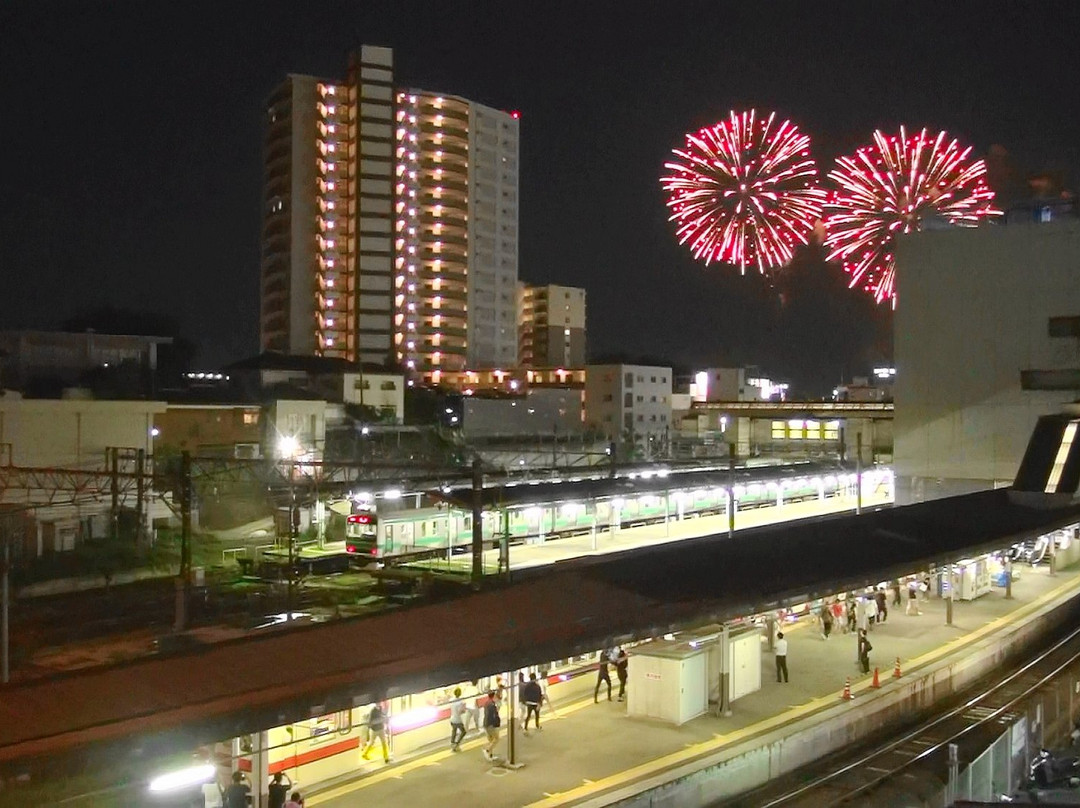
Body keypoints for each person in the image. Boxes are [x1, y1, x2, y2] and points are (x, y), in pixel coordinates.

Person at [482, 690, 502, 761]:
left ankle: (490, 756)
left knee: (491, 740)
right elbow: (493, 715)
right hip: (490, 725)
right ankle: (487, 750)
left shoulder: (487, 703)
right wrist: (495, 723)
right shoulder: (492, 705)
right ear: (494, 696)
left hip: (486, 723)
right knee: (496, 739)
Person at [449, 687, 467, 751]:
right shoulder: (460, 702)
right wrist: (464, 708)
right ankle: (457, 743)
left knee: (454, 731)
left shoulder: (451, 700)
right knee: (463, 732)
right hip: (458, 720)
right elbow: (461, 712)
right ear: (460, 693)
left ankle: (452, 743)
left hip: (452, 719)